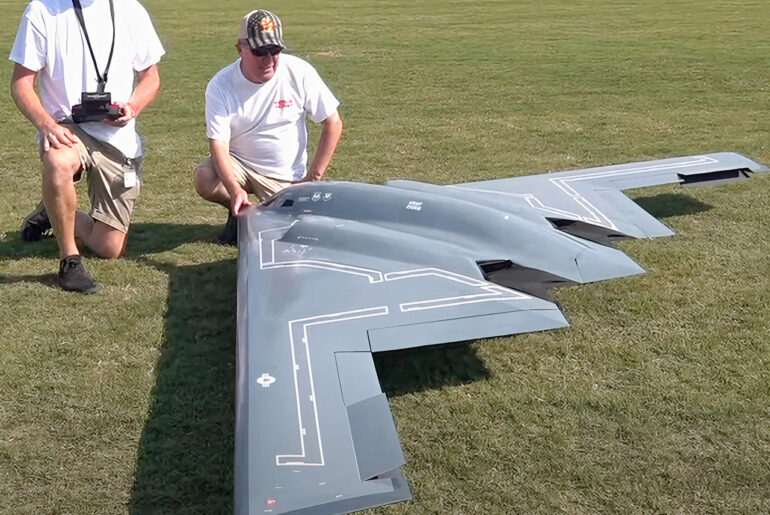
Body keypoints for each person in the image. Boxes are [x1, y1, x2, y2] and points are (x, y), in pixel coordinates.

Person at [10, 0, 164, 293]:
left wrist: (132, 106)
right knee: (58, 162)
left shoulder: (130, 9)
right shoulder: (42, 10)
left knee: (109, 248)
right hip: (68, 127)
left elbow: (151, 76)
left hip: (117, 137)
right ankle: (69, 260)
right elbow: (21, 83)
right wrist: (47, 125)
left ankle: (52, 211)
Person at [193, 9, 343, 245]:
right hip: (240, 164)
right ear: (240, 49)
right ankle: (240, 211)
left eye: (275, 51)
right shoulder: (221, 84)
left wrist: (312, 177)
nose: (269, 59)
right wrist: (233, 189)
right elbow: (218, 144)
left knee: (295, 235)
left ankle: (251, 215)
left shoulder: (298, 72)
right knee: (205, 176)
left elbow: (333, 122)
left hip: (285, 177)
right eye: (259, 51)